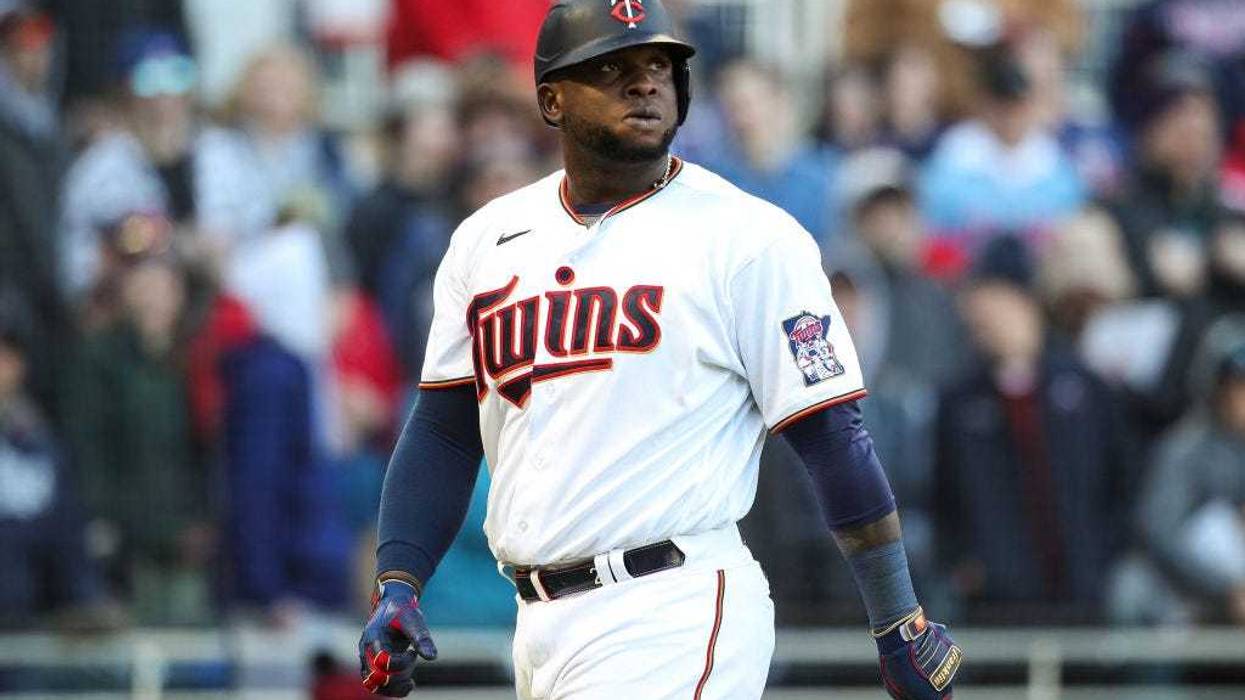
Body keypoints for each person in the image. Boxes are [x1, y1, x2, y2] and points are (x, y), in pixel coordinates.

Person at [357, 2, 962, 699]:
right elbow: (443, 429)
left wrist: (895, 618)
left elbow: (832, 437)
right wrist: (397, 584)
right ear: (551, 99)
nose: (643, 83)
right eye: (612, 68)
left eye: (658, 66)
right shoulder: (486, 240)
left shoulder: (747, 237)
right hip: (536, 623)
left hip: (672, 604)